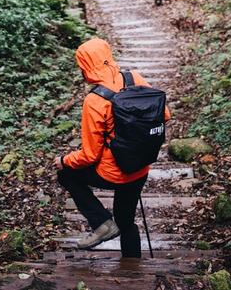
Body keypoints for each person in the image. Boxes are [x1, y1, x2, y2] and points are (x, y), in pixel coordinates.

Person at [54, 36, 170, 257]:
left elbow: (89, 156)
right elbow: (164, 115)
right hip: (140, 167)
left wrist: (63, 160)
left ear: (86, 66)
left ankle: (101, 223)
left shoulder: (95, 100)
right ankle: (133, 269)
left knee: (66, 175)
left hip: (113, 173)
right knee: (126, 221)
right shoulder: (133, 77)